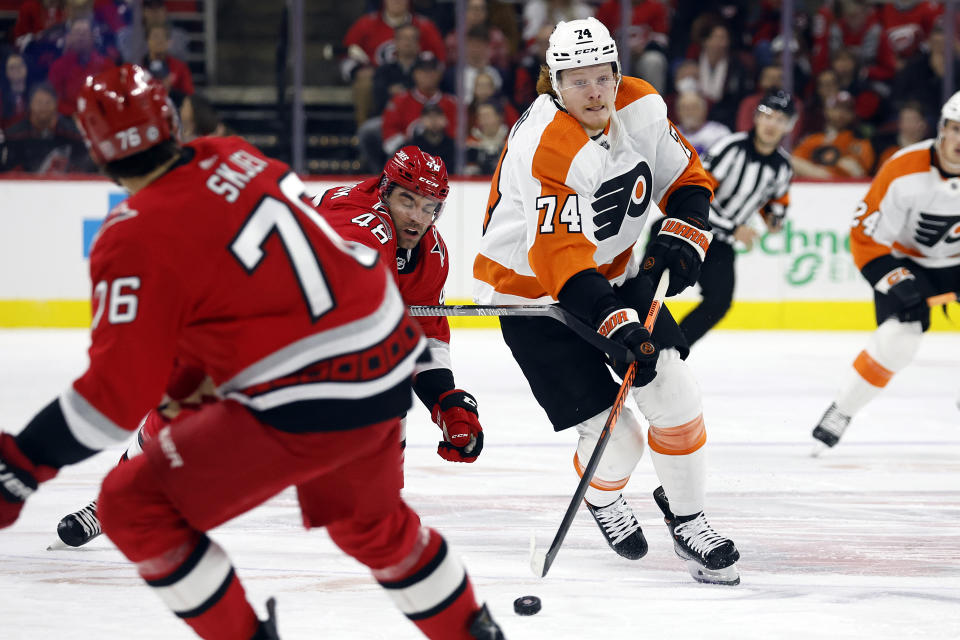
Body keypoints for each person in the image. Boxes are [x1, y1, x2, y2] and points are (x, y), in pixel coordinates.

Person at [0, 64, 504, 640]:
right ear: (171, 120)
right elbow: (358, 280)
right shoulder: (236, 154)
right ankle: (470, 629)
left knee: (133, 503)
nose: (418, 217)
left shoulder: (130, 235)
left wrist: (22, 462)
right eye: (408, 202)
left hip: (301, 387)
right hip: (382, 377)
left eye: (428, 206)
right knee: (369, 523)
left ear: (96, 153)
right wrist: (440, 397)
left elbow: (112, 396)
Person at [473, 17, 740, 585]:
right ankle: (604, 497)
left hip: (610, 275)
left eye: (604, 76)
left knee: (674, 391)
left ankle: (689, 518)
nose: (594, 91)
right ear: (553, 83)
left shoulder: (640, 106)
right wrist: (620, 325)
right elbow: (560, 262)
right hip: (533, 297)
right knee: (617, 438)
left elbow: (687, 178)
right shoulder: (547, 145)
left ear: (619, 73)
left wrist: (684, 234)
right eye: (577, 80)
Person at [811, 90, 960, 454]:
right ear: (942, 129)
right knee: (900, 338)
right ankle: (843, 409)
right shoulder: (902, 168)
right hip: (904, 260)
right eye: (956, 129)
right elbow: (865, 238)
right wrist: (897, 282)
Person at [667, 90, 796, 347]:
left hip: (720, 242)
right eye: (768, 115)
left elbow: (777, 201)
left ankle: (670, 349)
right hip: (685, 228)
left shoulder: (783, 166)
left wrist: (774, 219)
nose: (772, 124)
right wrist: (734, 227)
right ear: (757, 117)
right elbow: (697, 195)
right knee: (649, 289)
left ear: (789, 126)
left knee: (719, 302)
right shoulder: (730, 147)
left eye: (781, 120)